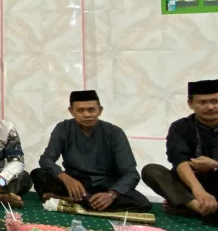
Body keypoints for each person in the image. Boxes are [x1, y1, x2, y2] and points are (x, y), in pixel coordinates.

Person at [31, 90, 151, 212]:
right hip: (74, 184)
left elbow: (131, 173)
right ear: (71, 111)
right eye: (80, 110)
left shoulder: (114, 133)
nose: (87, 115)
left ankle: (69, 200)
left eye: (91, 110)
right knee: (38, 174)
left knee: (142, 203)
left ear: (100, 110)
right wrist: (65, 178)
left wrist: (112, 194)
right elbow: (46, 159)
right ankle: (86, 202)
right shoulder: (63, 128)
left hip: (105, 185)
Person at [142, 80, 218, 222]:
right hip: (191, 186)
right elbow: (179, 161)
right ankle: (199, 208)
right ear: (190, 104)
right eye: (203, 102)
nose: (210, 107)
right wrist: (199, 191)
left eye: (215, 101)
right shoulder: (180, 126)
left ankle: (185, 206)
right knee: (151, 171)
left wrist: (214, 164)